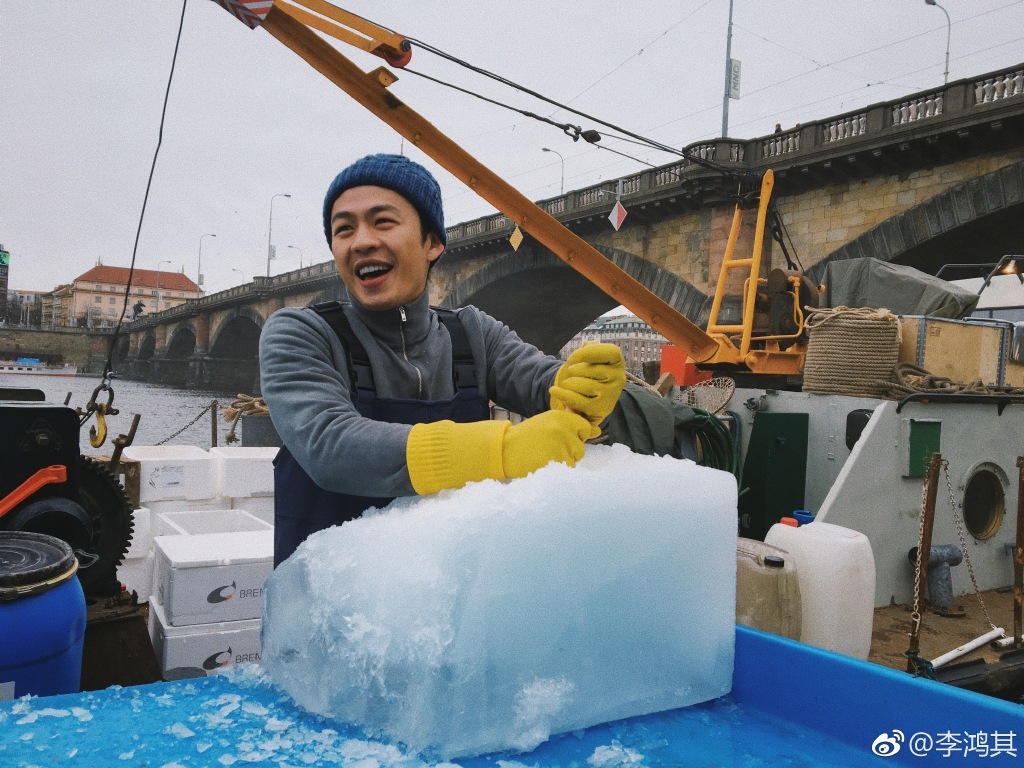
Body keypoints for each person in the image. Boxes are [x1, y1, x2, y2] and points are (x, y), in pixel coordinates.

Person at [259, 154, 625, 565]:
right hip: (334, 610)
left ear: (433, 243)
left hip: (451, 601)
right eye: (344, 229)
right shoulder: (297, 332)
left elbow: (542, 383)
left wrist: (582, 389)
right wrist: (500, 451)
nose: (361, 241)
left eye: (382, 222)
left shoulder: (473, 332)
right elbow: (330, 445)